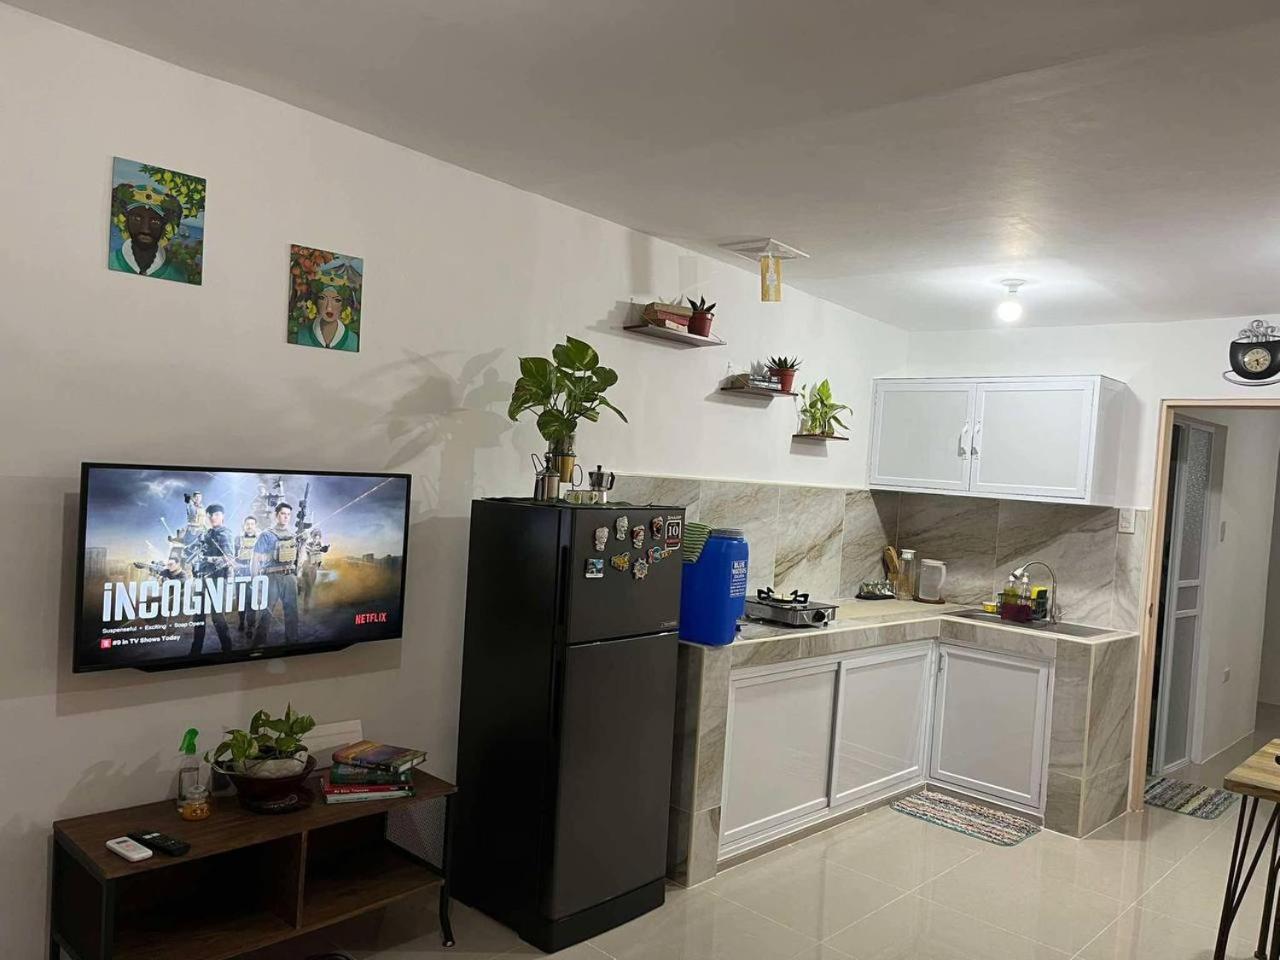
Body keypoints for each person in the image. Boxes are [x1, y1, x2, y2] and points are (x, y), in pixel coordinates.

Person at [108, 182, 188, 281]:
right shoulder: (111, 262)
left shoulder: (178, 275)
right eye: (136, 219)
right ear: (125, 221)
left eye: (155, 221)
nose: (145, 229)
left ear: (165, 226)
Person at [252, 502, 300, 646]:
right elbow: (255, 559)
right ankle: (258, 645)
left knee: (292, 612)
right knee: (265, 613)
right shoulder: (266, 535)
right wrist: (255, 581)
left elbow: (298, 559)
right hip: (271, 576)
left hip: (289, 576)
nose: (286, 517)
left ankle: (292, 643)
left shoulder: (293, 535)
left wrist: (303, 544)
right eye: (283, 514)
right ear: (276, 515)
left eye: (288, 515)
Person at [190, 503, 235, 656]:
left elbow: (229, 559)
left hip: (216, 578)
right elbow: (194, 551)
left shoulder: (225, 533)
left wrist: (208, 559)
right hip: (201, 577)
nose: (213, 517)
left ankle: (227, 649)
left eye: (216, 514)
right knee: (198, 615)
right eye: (210, 515)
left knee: (217, 615)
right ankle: (195, 650)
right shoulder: (206, 533)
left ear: (222, 516)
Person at [293, 266, 360, 352]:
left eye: (337, 300)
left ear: (343, 305)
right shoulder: (300, 335)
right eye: (322, 298)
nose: (329, 307)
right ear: (315, 301)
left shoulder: (354, 340)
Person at [234, 516, 260, 635]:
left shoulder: (259, 540)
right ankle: (241, 621)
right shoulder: (238, 539)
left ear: (255, 526)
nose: (249, 526)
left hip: (253, 572)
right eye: (247, 524)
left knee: (251, 599)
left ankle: (250, 626)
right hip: (240, 572)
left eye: (252, 524)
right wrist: (235, 565)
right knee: (241, 599)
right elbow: (232, 555)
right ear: (244, 526)